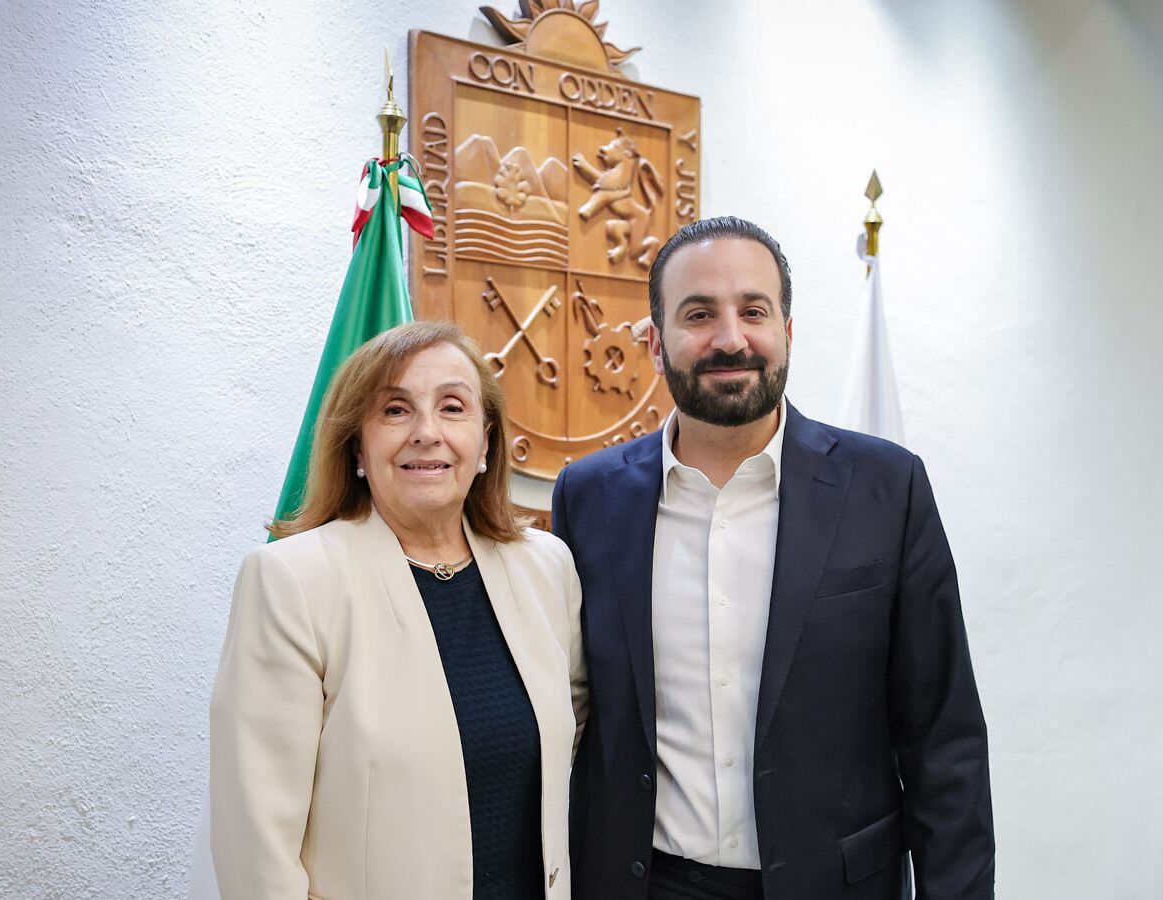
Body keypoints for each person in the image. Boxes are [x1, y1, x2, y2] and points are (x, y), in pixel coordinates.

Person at [552, 217, 994, 900]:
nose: (730, 338)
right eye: (698, 314)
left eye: (753, 310)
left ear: (786, 332)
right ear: (654, 341)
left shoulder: (886, 489)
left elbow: (944, 740)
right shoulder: (589, 498)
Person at [210, 321, 586, 900]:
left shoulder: (546, 568)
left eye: (453, 407)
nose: (426, 433)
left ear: (485, 442)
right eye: (394, 410)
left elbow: (574, 727)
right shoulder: (292, 581)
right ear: (357, 447)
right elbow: (257, 844)